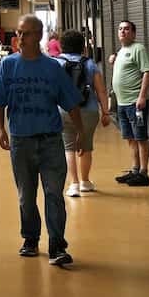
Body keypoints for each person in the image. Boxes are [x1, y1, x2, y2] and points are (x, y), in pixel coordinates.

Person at [0, 15, 85, 267]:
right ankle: (30, 238)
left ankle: (57, 245)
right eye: (18, 33)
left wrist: (81, 131)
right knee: (25, 196)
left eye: (25, 33)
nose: (20, 39)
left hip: (50, 140)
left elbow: (70, 102)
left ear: (38, 36)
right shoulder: (8, 65)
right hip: (21, 141)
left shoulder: (52, 68)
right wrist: (0, 129)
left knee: (54, 194)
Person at [53, 29, 111, 197]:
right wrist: (106, 112)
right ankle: (85, 181)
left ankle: (74, 184)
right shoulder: (90, 64)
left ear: (62, 46)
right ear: (82, 47)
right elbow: (101, 91)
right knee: (86, 146)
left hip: (63, 110)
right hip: (89, 110)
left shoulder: (56, 63)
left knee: (68, 146)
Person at [109, 19, 149, 186]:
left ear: (133, 33)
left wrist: (142, 96)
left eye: (127, 29)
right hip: (122, 103)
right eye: (120, 29)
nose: (123, 31)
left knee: (140, 136)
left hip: (136, 103)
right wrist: (113, 61)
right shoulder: (120, 51)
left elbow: (147, 72)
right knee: (130, 137)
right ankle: (135, 170)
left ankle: (144, 173)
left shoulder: (138, 49)